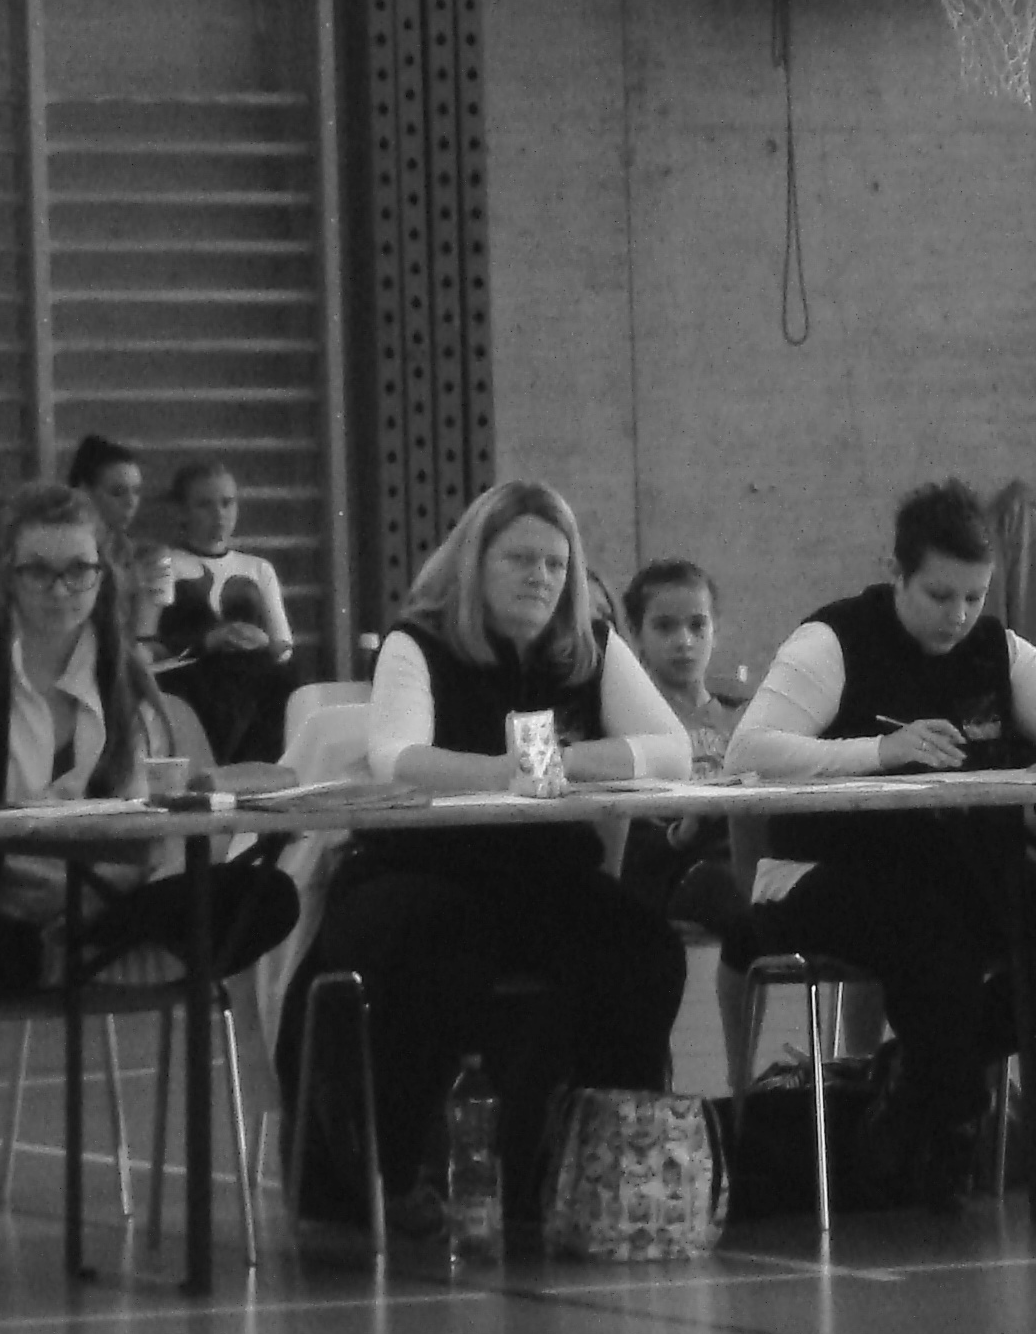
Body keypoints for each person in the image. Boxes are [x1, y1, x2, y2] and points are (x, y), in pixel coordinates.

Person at [276, 482, 690, 1231]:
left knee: (644, 950)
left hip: (542, 876)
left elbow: (673, 750)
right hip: (420, 869)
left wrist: (565, 760)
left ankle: (597, 1161)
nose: (541, 578)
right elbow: (398, 756)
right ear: (475, 562)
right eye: (520, 559)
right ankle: (395, 1172)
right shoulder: (418, 641)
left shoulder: (591, 644)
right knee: (436, 944)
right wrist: (503, 771)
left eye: (556, 564)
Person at [729, 481, 1036, 1199]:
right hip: (815, 874)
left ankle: (921, 1076)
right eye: (940, 595)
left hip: (957, 873)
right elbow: (748, 750)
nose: (959, 615)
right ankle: (946, 1121)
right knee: (936, 941)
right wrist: (878, 752)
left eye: (975, 596)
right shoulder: (831, 641)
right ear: (897, 573)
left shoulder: (997, 651)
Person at [0, 484, 297, 996]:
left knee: (269, 894)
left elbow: (150, 829)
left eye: (78, 570)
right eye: (38, 571)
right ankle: (84, 966)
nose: (59, 590)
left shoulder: (121, 672)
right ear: (9, 575)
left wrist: (105, 880)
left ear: (102, 575)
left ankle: (67, 963)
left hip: (100, 902)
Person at [148, 460, 300, 762]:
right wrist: (206, 641)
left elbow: (284, 647)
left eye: (227, 503)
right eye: (204, 505)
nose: (219, 515)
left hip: (256, 689)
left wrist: (261, 641)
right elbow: (149, 643)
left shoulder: (258, 569)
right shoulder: (166, 564)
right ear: (182, 512)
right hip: (192, 686)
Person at [615, 559, 739, 923]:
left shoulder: (744, 718)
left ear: (716, 629)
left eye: (697, 625)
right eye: (665, 627)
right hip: (674, 873)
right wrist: (680, 833)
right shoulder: (628, 721)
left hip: (741, 854)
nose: (684, 642)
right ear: (636, 635)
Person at [65, 433, 168, 643]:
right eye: (118, 492)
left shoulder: (139, 554)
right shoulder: (61, 554)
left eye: (136, 491)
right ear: (84, 492)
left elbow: (144, 637)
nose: (131, 502)